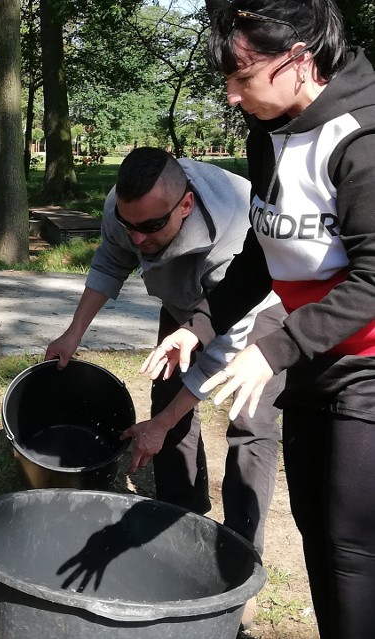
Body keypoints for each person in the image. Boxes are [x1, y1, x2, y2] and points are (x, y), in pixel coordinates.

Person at [143, 1, 375, 637]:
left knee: (353, 546)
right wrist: (198, 323)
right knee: (316, 531)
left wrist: (273, 348)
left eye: (242, 76)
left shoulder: (362, 138)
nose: (232, 95)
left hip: (367, 367)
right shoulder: (271, 134)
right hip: (312, 363)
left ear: (297, 60)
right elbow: (260, 255)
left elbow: (374, 280)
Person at [45, 148, 286, 565]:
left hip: (259, 306)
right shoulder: (128, 207)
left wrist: (163, 423)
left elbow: (222, 350)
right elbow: (111, 260)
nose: (137, 238)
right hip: (183, 303)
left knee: (249, 423)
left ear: (185, 205)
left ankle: (240, 553)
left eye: (151, 227)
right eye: (129, 225)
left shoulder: (229, 239)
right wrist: (72, 334)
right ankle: (181, 510)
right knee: (166, 395)